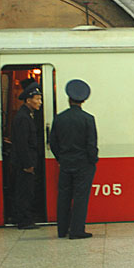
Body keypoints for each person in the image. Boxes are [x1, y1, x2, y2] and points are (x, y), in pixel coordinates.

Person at [49, 79, 98, 239]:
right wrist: (93, 160)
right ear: (83, 100)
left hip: (65, 163)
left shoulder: (59, 118)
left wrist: (61, 158)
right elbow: (91, 144)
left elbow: (53, 142)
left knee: (63, 195)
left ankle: (62, 230)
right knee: (80, 197)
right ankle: (77, 230)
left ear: (69, 99)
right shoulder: (88, 119)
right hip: (83, 164)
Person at [11, 81, 43, 229]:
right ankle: (24, 220)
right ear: (28, 100)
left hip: (26, 161)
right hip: (25, 163)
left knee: (27, 190)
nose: (40, 102)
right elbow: (22, 144)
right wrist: (28, 164)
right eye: (37, 99)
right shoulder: (23, 118)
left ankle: (26, 218)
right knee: (24, 191)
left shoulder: (26, 115)